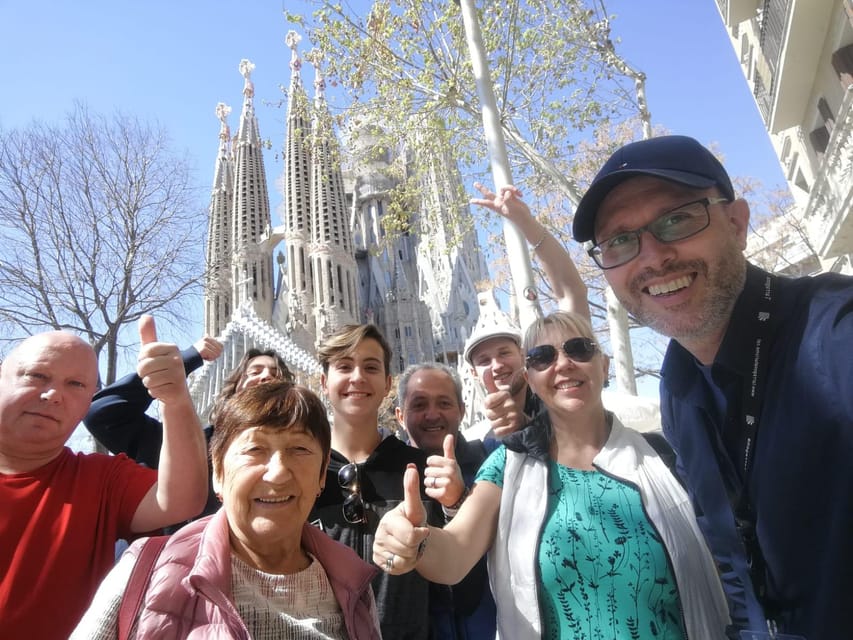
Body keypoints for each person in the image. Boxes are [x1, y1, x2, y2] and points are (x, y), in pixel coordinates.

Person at [571, 133, 853, 638]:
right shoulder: (678, 386)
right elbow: (736, 570)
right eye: (620, 241)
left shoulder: (834, 335)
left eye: (676, 219)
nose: (653, 258)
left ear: (738, 223)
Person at [373, 311, 729, 640]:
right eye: (543, 356)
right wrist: (413, 541)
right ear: (528, 378)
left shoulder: (663, 457)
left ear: (604, 366)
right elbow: (454, 553)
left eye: (579, 349)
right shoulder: (507, 466)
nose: (563, 364)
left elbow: (724, 564)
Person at [72, 381, 381, 639]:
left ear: (322, 473)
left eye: (299, 449)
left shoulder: (354, 586)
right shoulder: (146, 571)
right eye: (254, 449)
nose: (277, 473)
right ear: (217, 472)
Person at [0, 317, 209, 639]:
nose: (54, 394)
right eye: (37, 376)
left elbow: (180, 500)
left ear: (87, 402)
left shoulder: (100, 480)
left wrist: (175, 401)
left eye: (76, 385)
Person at [310, 324, 453, 639]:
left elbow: (453, 564)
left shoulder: (418, 468)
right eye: (344, 367)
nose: (357, 377)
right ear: (324, 382)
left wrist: (454, 504)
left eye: (370, 367)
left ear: (388, 384)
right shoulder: (304, 472)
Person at [85, 344, 293, 519]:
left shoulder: (309, 459)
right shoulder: (177, 447)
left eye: (275, 375)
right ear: (235, 388)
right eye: (255, 372)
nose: (266, 377)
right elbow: (102, 413)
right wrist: (181, 363)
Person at [464, 183, 589, 447]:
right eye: (484, 360)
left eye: (504, 353)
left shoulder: (560, 396)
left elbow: (572, 294)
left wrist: (525, 223)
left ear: (523, 356)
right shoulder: (482, 446)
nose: (496, 365)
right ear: (474, 374)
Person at [396, 363, 497, 639]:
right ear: (399, 415)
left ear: (462, 410)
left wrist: (459, 500)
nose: (432, 414)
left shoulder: (491, 461)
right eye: (419, 404)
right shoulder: (387, 478)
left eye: (444, 403)